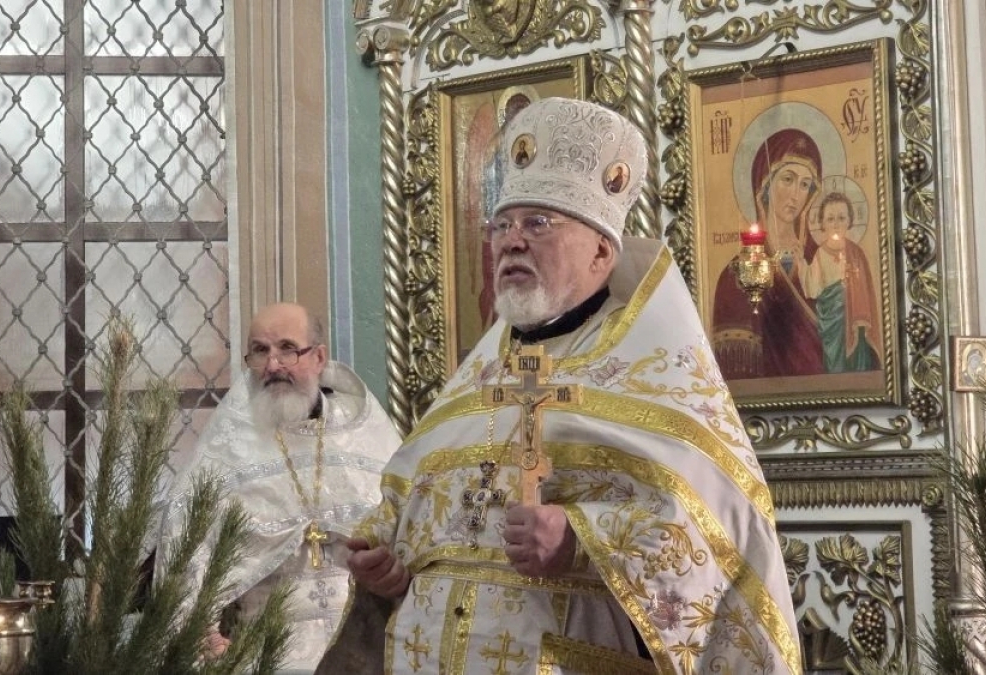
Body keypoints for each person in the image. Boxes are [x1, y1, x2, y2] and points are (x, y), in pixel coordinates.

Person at [318, 98, 800, 674]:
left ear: (602, 250)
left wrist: (579, 539)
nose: (511, 241)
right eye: (502, 226)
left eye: (538, 224)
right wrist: (385, 562)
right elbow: (415, 516)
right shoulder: (479, 377)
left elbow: (722, 542)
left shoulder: (659, 378)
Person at [156, 302, 400, 673]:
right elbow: (186, 545)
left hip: (363, 650)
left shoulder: (365, 435)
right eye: (260, 351)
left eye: (288, 349)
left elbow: (407, 531)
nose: (273, 365)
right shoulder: (229, 446)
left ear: (319, 357)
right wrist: (199, 632)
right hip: (264, 655)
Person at [712, 127, 826, 380]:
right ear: (764, 183)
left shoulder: (821, 260)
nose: (796, 195)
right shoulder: (736, 273)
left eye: (805, 185)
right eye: (788, 179)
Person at [801, 191, 881, 373]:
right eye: (830, 219)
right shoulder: (821, 254)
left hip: (856, 322)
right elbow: (813, 289)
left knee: (858, 362)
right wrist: (800, 262)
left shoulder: (857, 253)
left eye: (841, 218)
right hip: (832, 323)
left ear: (849, 221)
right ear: (822, 223)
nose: (836, 224)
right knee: (835, 363)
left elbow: (866, 291)